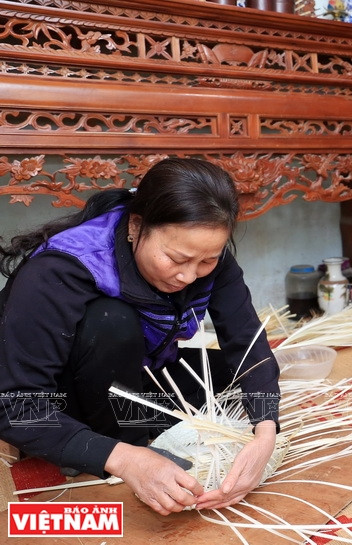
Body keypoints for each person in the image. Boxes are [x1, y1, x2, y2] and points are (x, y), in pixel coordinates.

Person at [0, 158, 280, 515]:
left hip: (135, 371)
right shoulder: (62, 268)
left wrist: (265, 433)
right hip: (60, 396)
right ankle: (109, 445)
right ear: (136, 225)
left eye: (206, 262)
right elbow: (13, 403)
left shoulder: (206, 255)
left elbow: (247, 343)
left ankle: (137, 427)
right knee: (112, 321)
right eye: (175, 258)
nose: (189, 276)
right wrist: (128, 459)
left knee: (232, 375)